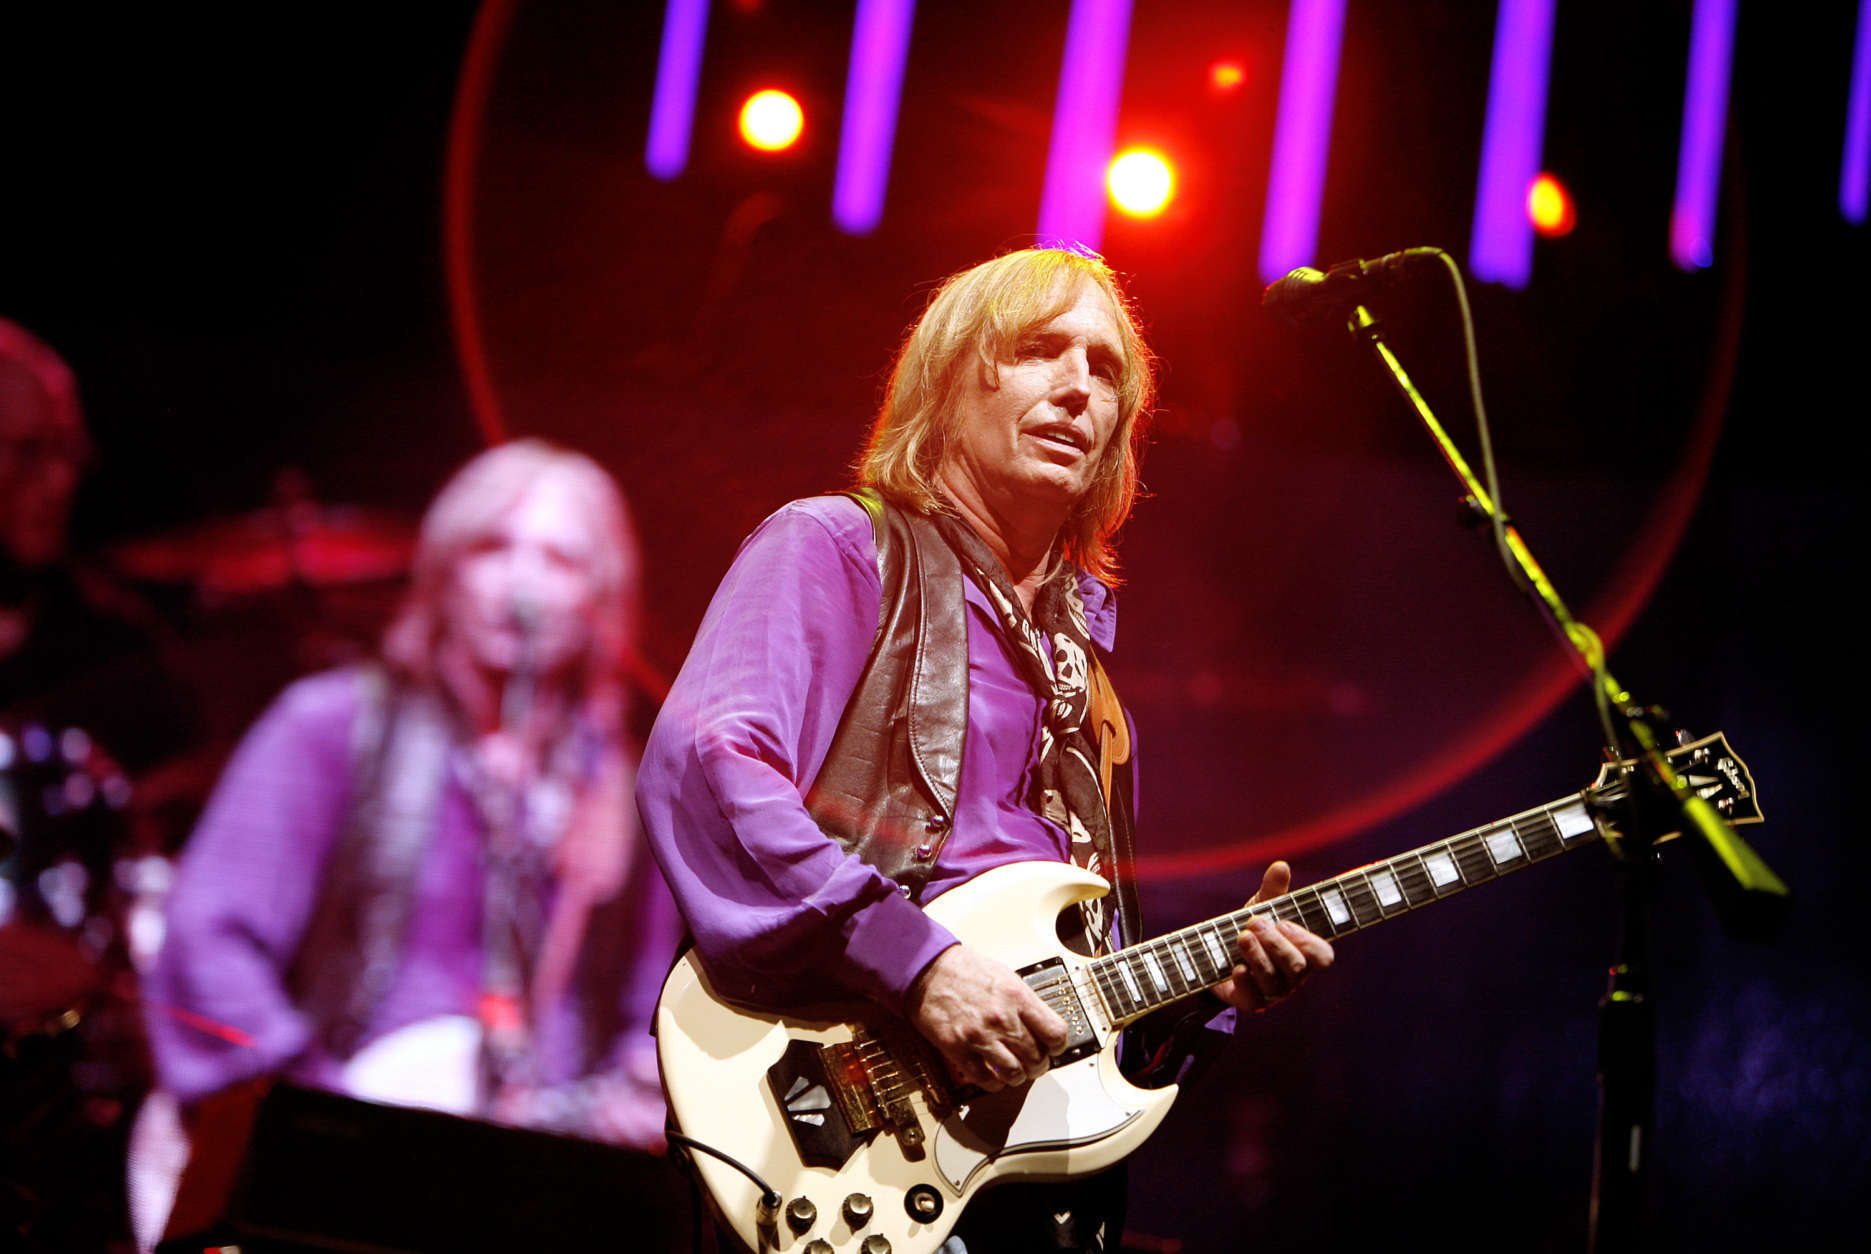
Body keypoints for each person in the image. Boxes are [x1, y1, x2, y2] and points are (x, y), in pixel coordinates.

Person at [637, 246, 1334, 1253]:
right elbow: (710, 769)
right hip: (830, 1123)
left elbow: (1070, 999)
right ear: (948, 380)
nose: (1078, 386)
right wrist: (918, 967)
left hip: (1008, 1192)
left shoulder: (1092, 697)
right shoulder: (838, 548)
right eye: (1039, 349)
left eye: (1105, 370)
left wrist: (1202, 994)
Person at [142, 440, 679, 1173]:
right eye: (491, 548)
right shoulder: (330, 727)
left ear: (601, 597)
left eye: (558, 560)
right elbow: (206, 945)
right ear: (444, 570)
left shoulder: (622, 785)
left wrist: (640, 1093)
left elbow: (650, 1014)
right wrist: (314, 1110)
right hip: (337, 1158)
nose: (520, 581)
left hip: (527, 1179)